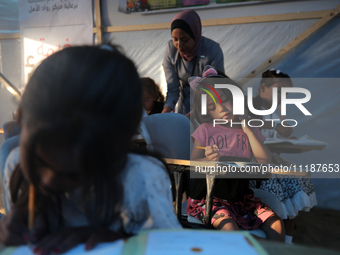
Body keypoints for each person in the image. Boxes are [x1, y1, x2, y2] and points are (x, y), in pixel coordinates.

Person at [0, 44, 181, 254]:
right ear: (20, 119)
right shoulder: (17, 165)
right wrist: (14, 231)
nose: (48, 180)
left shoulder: (139, 177)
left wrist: (121, 242)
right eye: (40, 162)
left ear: (114, 149)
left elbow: (171, 247)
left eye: (72, 174)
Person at [187, 66, 285, 242]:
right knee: (229, 229)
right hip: (210, 199)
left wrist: (248, 131)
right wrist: (206, 159)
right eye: (212, 106)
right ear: (206, 111)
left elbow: (265, 161)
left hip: (241, 198)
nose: (221, 108)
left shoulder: (249, 127)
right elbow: (192, 164)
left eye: (225, 100)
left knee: (277, 225)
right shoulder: (205, 130)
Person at [248, 69, 317, 243]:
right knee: (279, 184)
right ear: (263, 88)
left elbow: (273, 141)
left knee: (298, 176)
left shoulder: (276, 112)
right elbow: (249, 124)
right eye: (279, 91)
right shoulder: (249, 105)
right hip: (253, 162)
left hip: (272, 159)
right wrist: (276, 127)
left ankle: (288, 239)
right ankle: (276, 234)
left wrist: (288, 141)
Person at [162, 10, 224, 115]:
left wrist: (194, 115)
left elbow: (216, 90)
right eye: (175, 39)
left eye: (184, 39)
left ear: (195, 35)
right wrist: (164, 113)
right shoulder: (171, 51)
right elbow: (173, 89)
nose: (179, 45)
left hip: (209, 109)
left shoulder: (212, 50)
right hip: (184, 108)